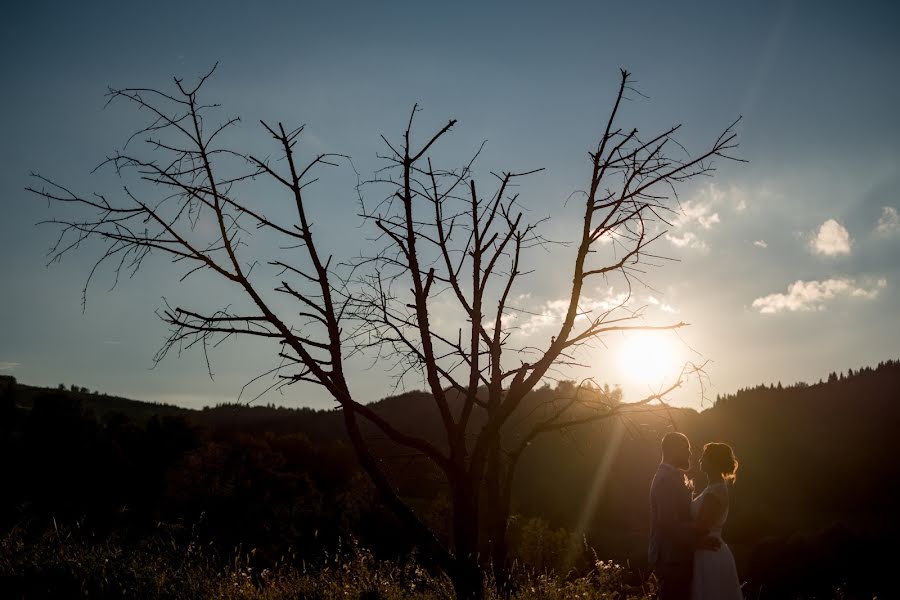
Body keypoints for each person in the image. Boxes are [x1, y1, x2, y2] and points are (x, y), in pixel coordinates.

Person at [649, 432, 719, 600]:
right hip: (672, 559)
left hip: (676, 558)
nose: (690, 453)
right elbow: (666, 523)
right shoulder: (666, 479)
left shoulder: (672, 476)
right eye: (686, 448)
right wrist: (698, 543)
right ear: (674, 450)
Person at [689, 442, 743, 599]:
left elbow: (701, 526)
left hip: (710, 554)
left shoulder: (715, 492)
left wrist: (672, 526)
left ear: (714, 462)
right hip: (707, 550)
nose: (700, 460)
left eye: (704, 457)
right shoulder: (713, 488)